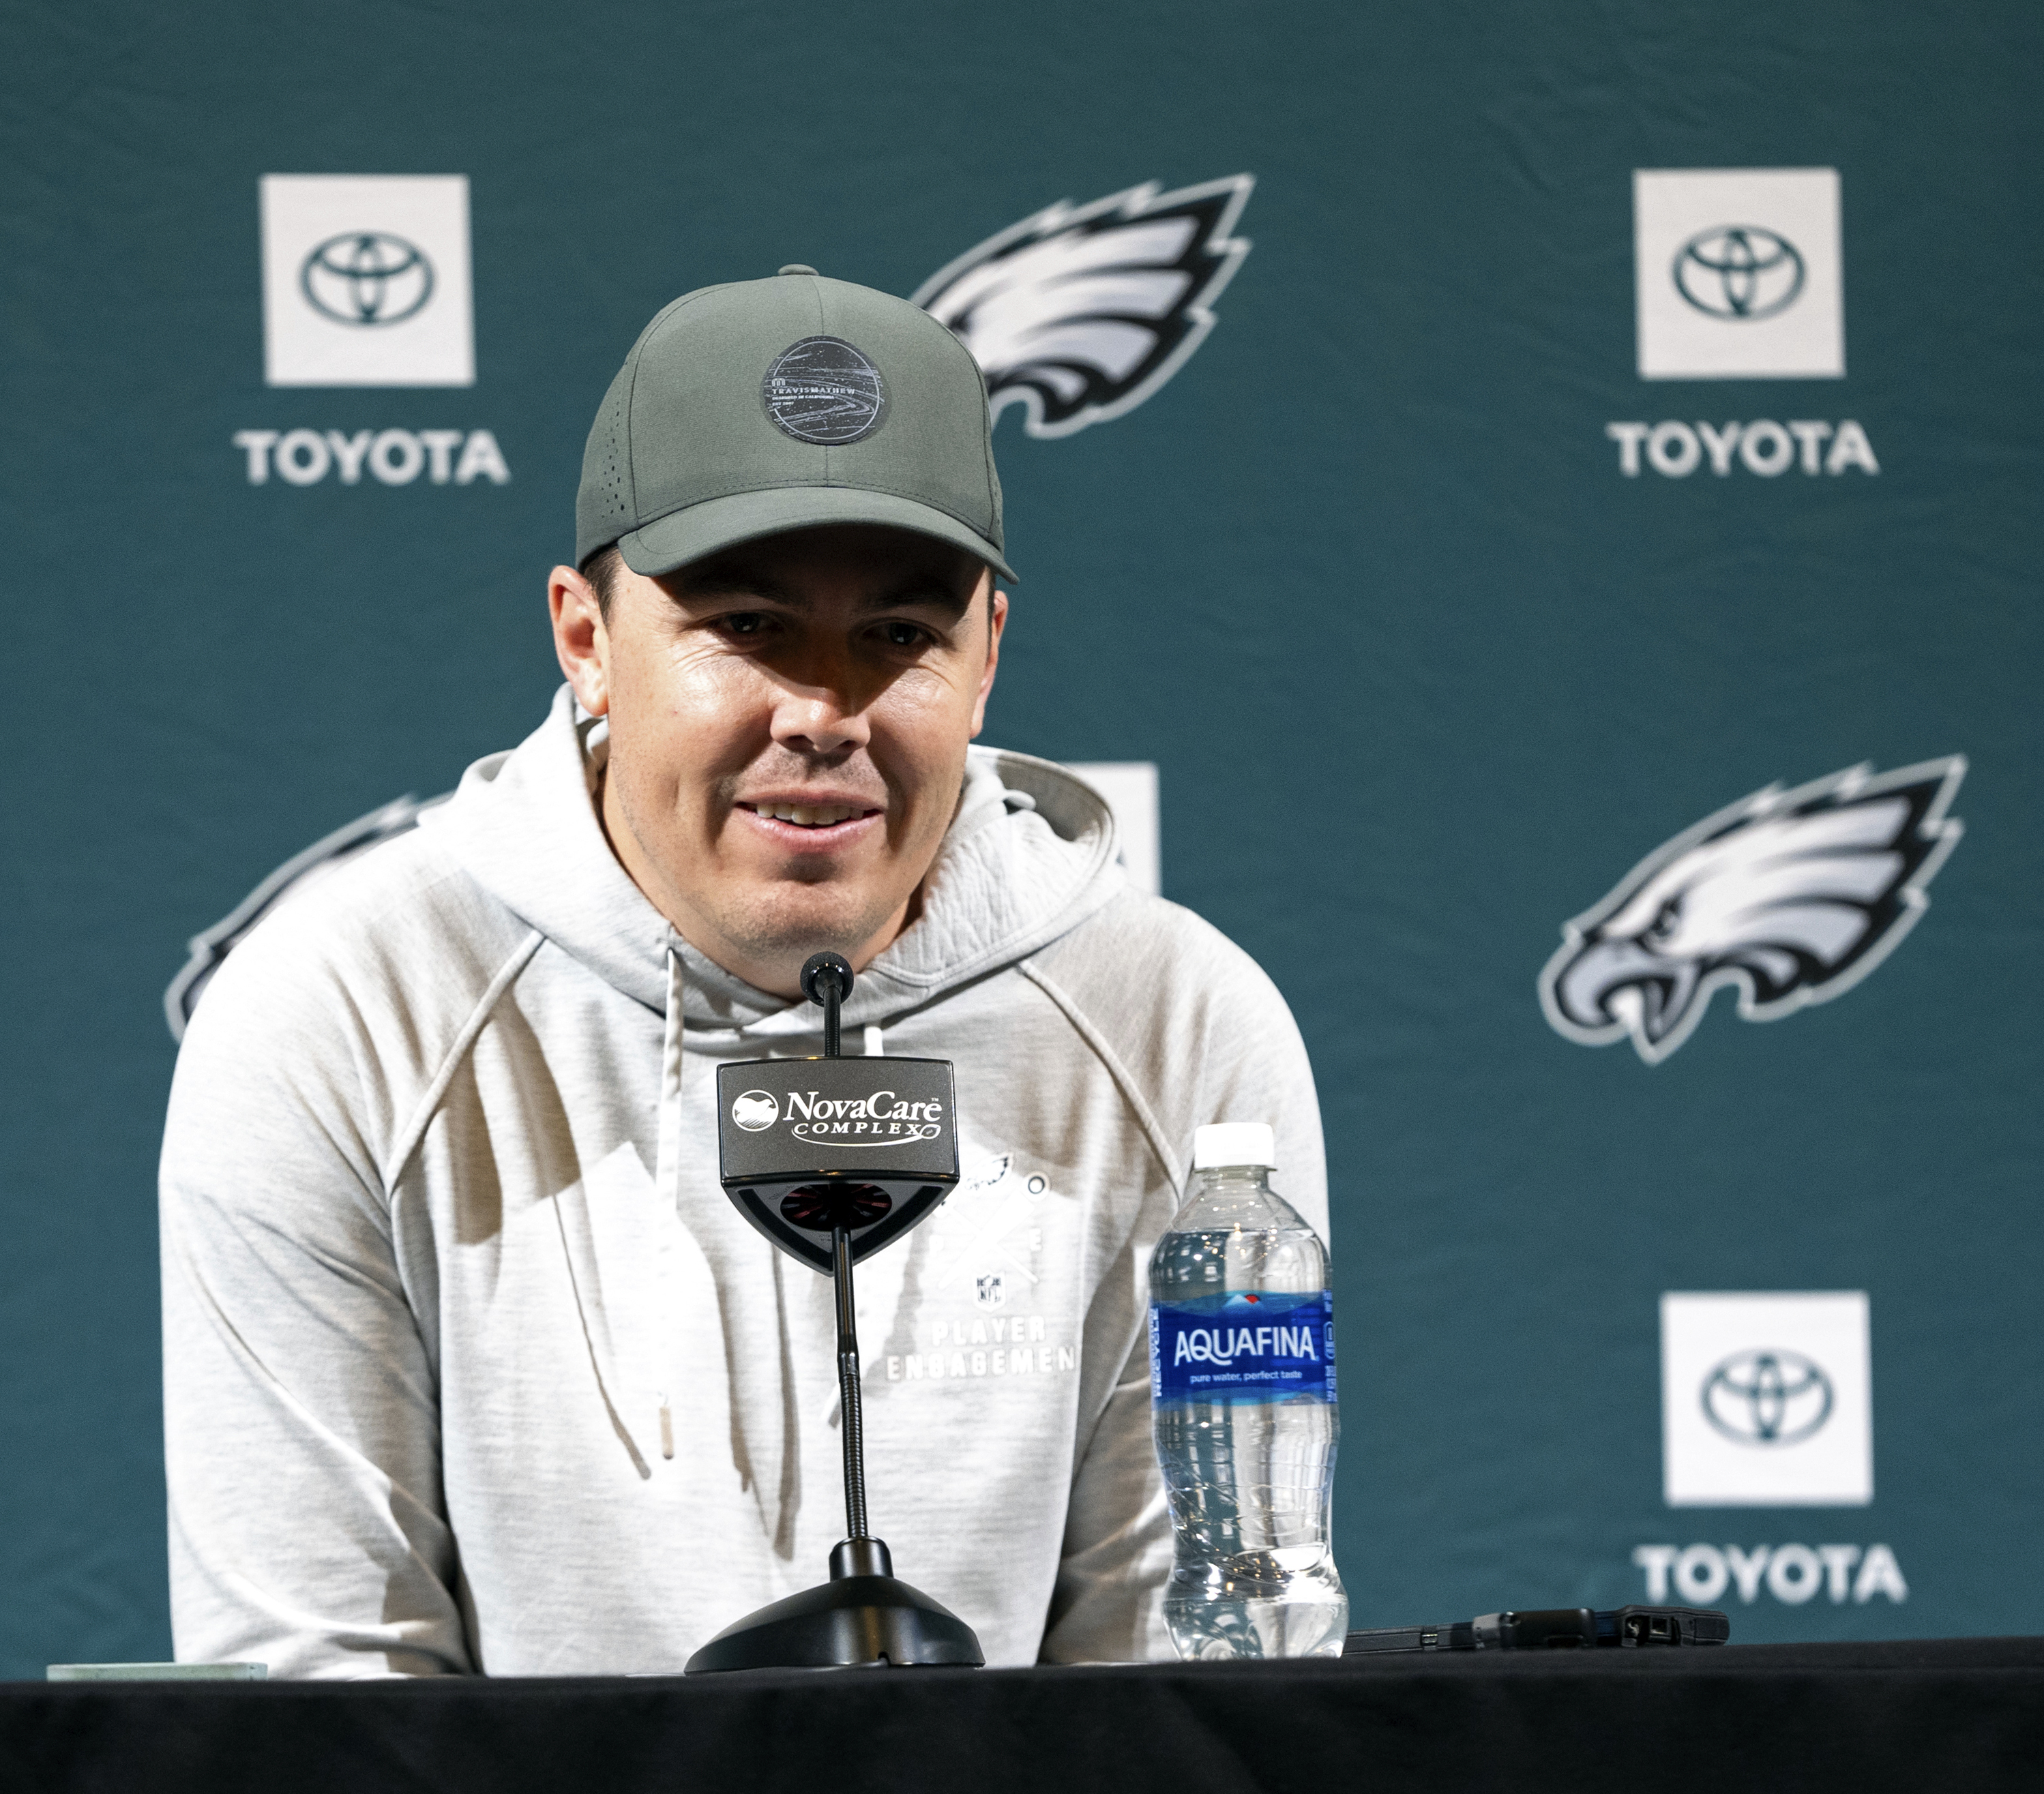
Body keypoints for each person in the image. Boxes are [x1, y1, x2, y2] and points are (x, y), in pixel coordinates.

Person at [159, 266, 1326, 1676]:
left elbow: (1189, 1668)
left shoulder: (1176, 1024)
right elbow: (316, 1683)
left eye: (898, 635)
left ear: (986, 655)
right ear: (585, 640)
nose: (821, 712)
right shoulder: (339, 1011)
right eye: (746, 627)